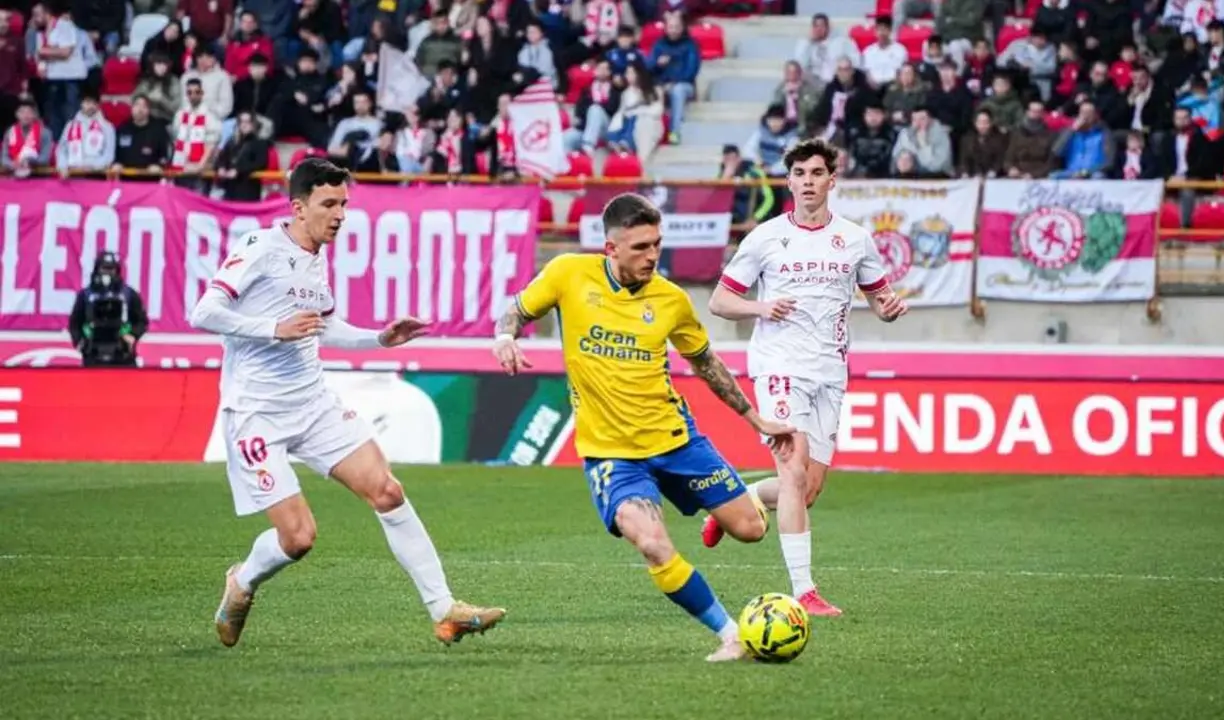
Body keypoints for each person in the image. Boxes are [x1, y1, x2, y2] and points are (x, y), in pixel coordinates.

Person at [189, 158, 505, 649]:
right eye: (329, 204)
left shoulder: (316, 255)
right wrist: (273, 328)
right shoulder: (260, 248)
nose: (339, 214)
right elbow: (204, 310)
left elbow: (324, 324)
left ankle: (445, 610)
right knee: (298, 539)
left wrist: (379, 338)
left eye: (344, 204)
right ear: (299, 207)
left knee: (388, 491)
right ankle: (243, 580)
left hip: (313, 403)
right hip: (256, 414)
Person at [491, 193, 797, 662]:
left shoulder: (671, 300)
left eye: (656, 244)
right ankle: (731, 633)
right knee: (653, 544)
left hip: (676, 440)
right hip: (612, 453)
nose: (652, 256)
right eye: (639, 247)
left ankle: (745, 499)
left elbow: (706, 363)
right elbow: (515, 309)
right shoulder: (568, 274)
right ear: (609, 249)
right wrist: (505, 337)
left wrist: (755, 418)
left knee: (752, 530)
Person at [702, 138, 909, 617]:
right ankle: (804, 592)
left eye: (817, 173)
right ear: (789, 180)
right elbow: (719, 301)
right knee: (793, 471)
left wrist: (891, 309)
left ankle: (734, 499)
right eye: (800, 174)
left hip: (829, 372)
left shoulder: (855, 239)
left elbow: (880, 301)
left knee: (807, 489)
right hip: (779, 367)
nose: (808, 182)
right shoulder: (766, 237)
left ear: (831, 180)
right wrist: (760, 305)